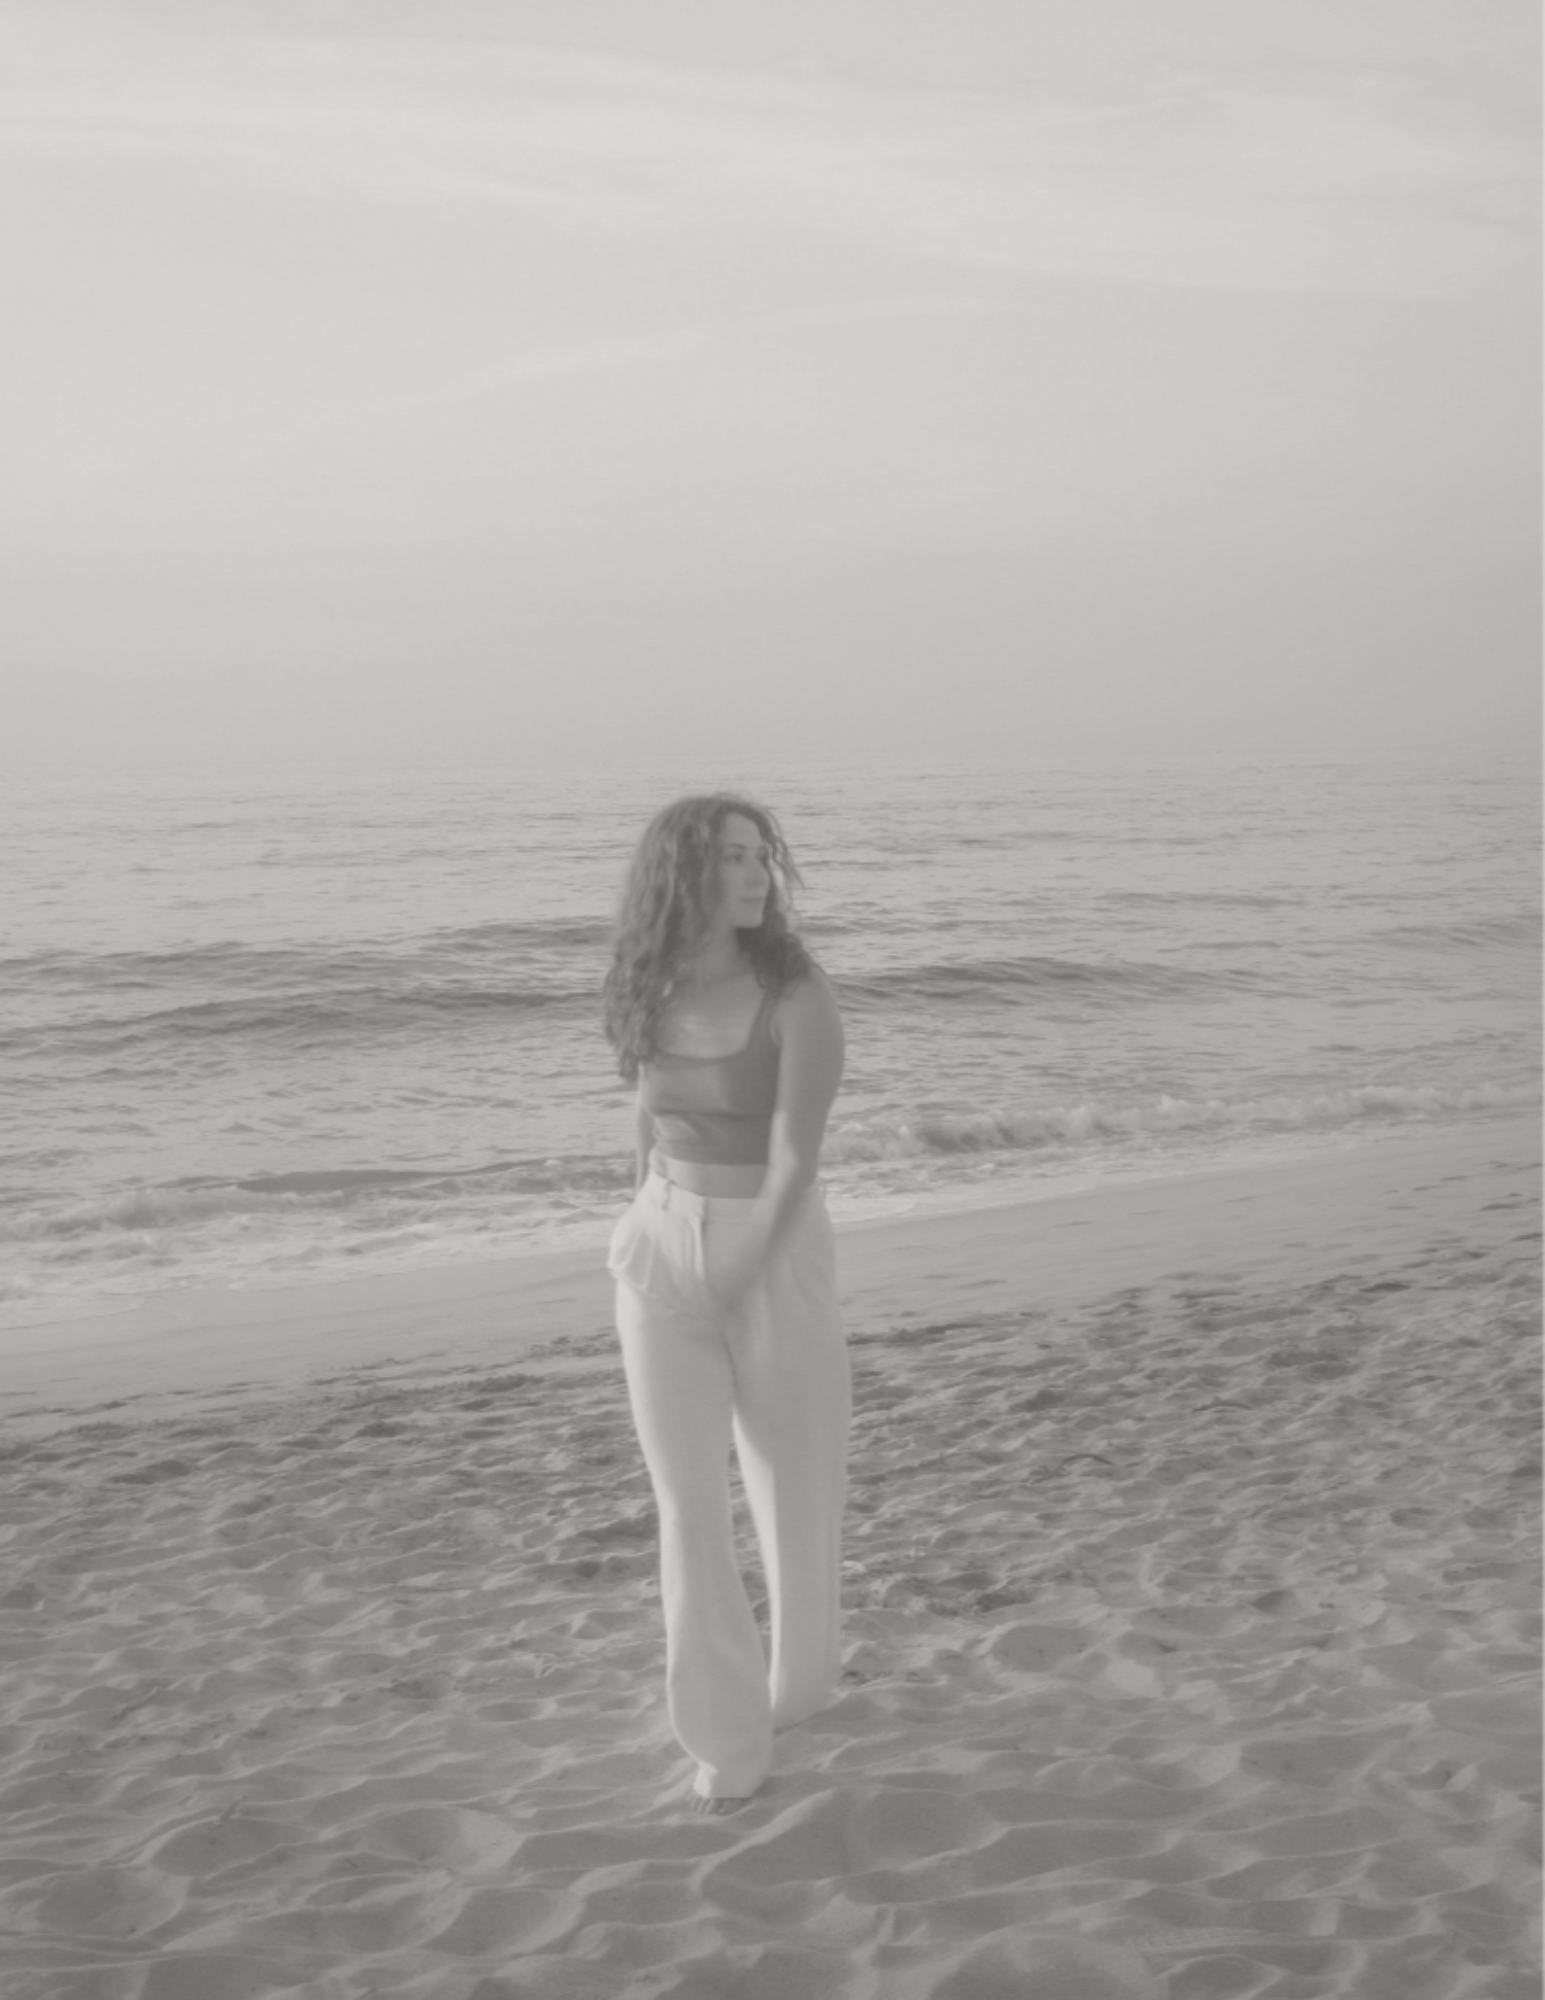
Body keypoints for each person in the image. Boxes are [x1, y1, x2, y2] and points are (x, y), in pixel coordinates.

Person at [601, 794, 850, 1812]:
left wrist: (745, 1263)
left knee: (797, 1489)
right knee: (687, 1503)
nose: (755, 875)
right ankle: (727, 1731)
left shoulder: (797, 993)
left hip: (774, 1249)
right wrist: (641, 1219)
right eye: (731, 858)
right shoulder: (649, 985)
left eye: (761, 856)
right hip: (661, 1247)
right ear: (682, 875)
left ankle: (799, 1687)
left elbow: (797, 1155)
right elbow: (645, 1117)